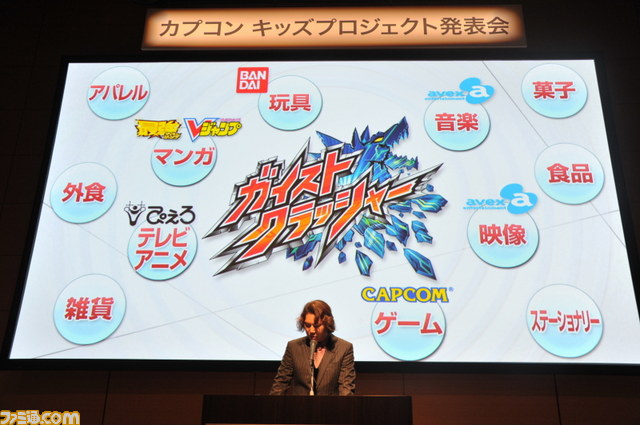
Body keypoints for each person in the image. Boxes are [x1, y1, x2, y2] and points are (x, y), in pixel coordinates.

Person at [269, 300, 356, 396]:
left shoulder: (344, 348)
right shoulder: (294, 347)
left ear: (328, 324)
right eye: (307, 325)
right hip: (300, 405)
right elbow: (280, 384)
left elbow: (346, 388)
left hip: (331, 405)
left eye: (317, 325)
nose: (312, 330)